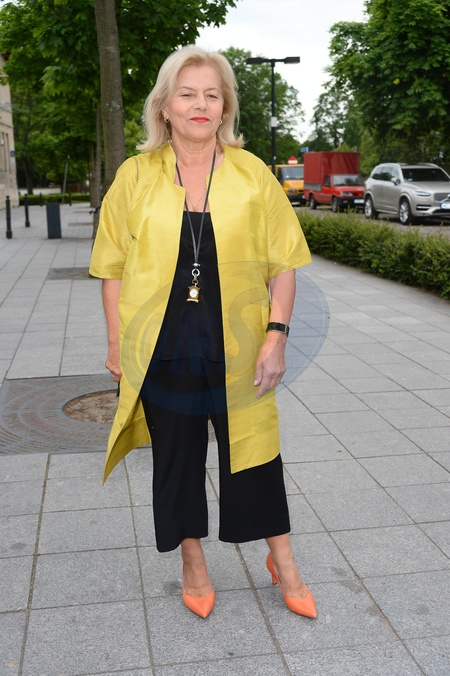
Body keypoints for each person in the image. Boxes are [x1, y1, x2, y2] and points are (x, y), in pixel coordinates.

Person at [89, 45, 315, 620]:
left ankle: (283, 561)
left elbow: (284, 263)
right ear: (164, 106)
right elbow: (112, 267)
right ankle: (193, 561)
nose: (200, 104)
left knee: (255, 453)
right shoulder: (135, 176)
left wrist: (276, 338)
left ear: (225, 107)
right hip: (162, 347)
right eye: (187, 93)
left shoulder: (252, 174)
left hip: (238, 344)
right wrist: (116, 343)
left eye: (212, 94)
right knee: (177, 456)